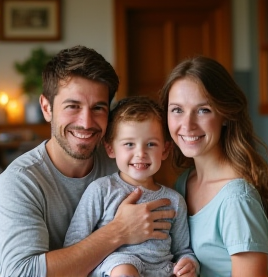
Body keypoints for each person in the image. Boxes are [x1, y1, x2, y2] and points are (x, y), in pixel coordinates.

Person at [0, 46, 175, 277]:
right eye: (73, 106)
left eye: (98, 108)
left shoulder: (124, 160)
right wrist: (119, 231)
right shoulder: (20, 180)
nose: (86, 122)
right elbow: (20, 273)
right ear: (46, 107)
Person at [159, 56, 268, 277]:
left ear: (225, 115)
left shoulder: (237, 199)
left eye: (203, 110)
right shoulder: (184, 182)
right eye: (177, 110)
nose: (187, 125)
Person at [64, 96, 199, 277]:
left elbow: (183, 249)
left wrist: (188, 263)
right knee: (124, 271)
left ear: (165, 150)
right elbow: (74, 245)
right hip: (116, 266)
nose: (141, 153)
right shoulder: (102, 189)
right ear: (111, 148)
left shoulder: (174, 200)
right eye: (129, 144)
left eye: (151, 144)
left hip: (161, 270)